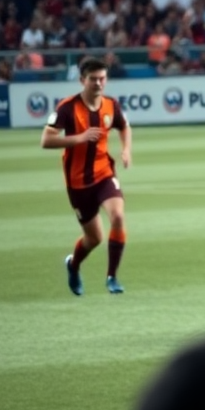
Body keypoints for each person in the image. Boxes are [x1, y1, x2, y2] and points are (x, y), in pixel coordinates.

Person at [40, 56, 132, 296]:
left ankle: (112, 277)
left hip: (104, 173)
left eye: (102, 78)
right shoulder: (67, 107)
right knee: (94, 239)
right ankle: (73, 265)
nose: (98, 83)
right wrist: (79, 138)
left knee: (118, 216)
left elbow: (124, 126)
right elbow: (46, 140)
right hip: (78, 183)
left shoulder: (111, 105)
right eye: (93, 79)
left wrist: (126, 150)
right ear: (82, 80)